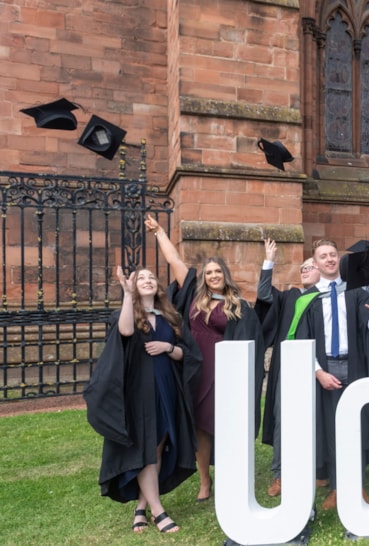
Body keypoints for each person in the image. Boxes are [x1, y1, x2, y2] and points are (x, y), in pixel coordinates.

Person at [145, 214, 265, 503]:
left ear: (225, 275)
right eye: (209, 272)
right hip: (196, 371)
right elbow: (177, 265)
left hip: (225, 372)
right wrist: (161, 232)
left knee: (226, 423)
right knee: (200, 426)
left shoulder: (239, 306)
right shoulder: (193, 299)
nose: (213, 276)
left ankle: (229, 475)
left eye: (217, 272)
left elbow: (251, 341)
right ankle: (204, 480)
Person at [84, 266, 202, 534]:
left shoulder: (171, 316)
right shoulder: (126, 314)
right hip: (139, 390)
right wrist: (127, 295)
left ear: (158, 286)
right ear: (134, 286)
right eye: (141, 278)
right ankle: (158, 511)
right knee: (146, 447)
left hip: (166, 387)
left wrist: (168, 348)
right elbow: (125, 332)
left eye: (151, 277)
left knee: (157, 447)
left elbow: (188, 353)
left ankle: (140, 508)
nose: (147, 280)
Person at [292, 238, 369, 511]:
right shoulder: (309, 299)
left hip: (355, 365)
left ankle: (357, 484)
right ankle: (336, 486)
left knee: (356, 426)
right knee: (332, 428)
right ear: (316, 262)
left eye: (333, 254)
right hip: (327, 368)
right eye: (323, 256)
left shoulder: (356, 292)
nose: (330, 259)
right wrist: (318, 372)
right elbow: (303, 339)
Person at [255, 240, 321, 497]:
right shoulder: (290, 296)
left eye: (311, 266)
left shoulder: (330, 296)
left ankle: (320, 471)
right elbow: (263, 295)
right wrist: (268, 261)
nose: (305, 270)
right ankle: (280, 474)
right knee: (283, 419)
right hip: (289, 365)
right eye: (303, 267)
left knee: (318, 418)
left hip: (320, 366)